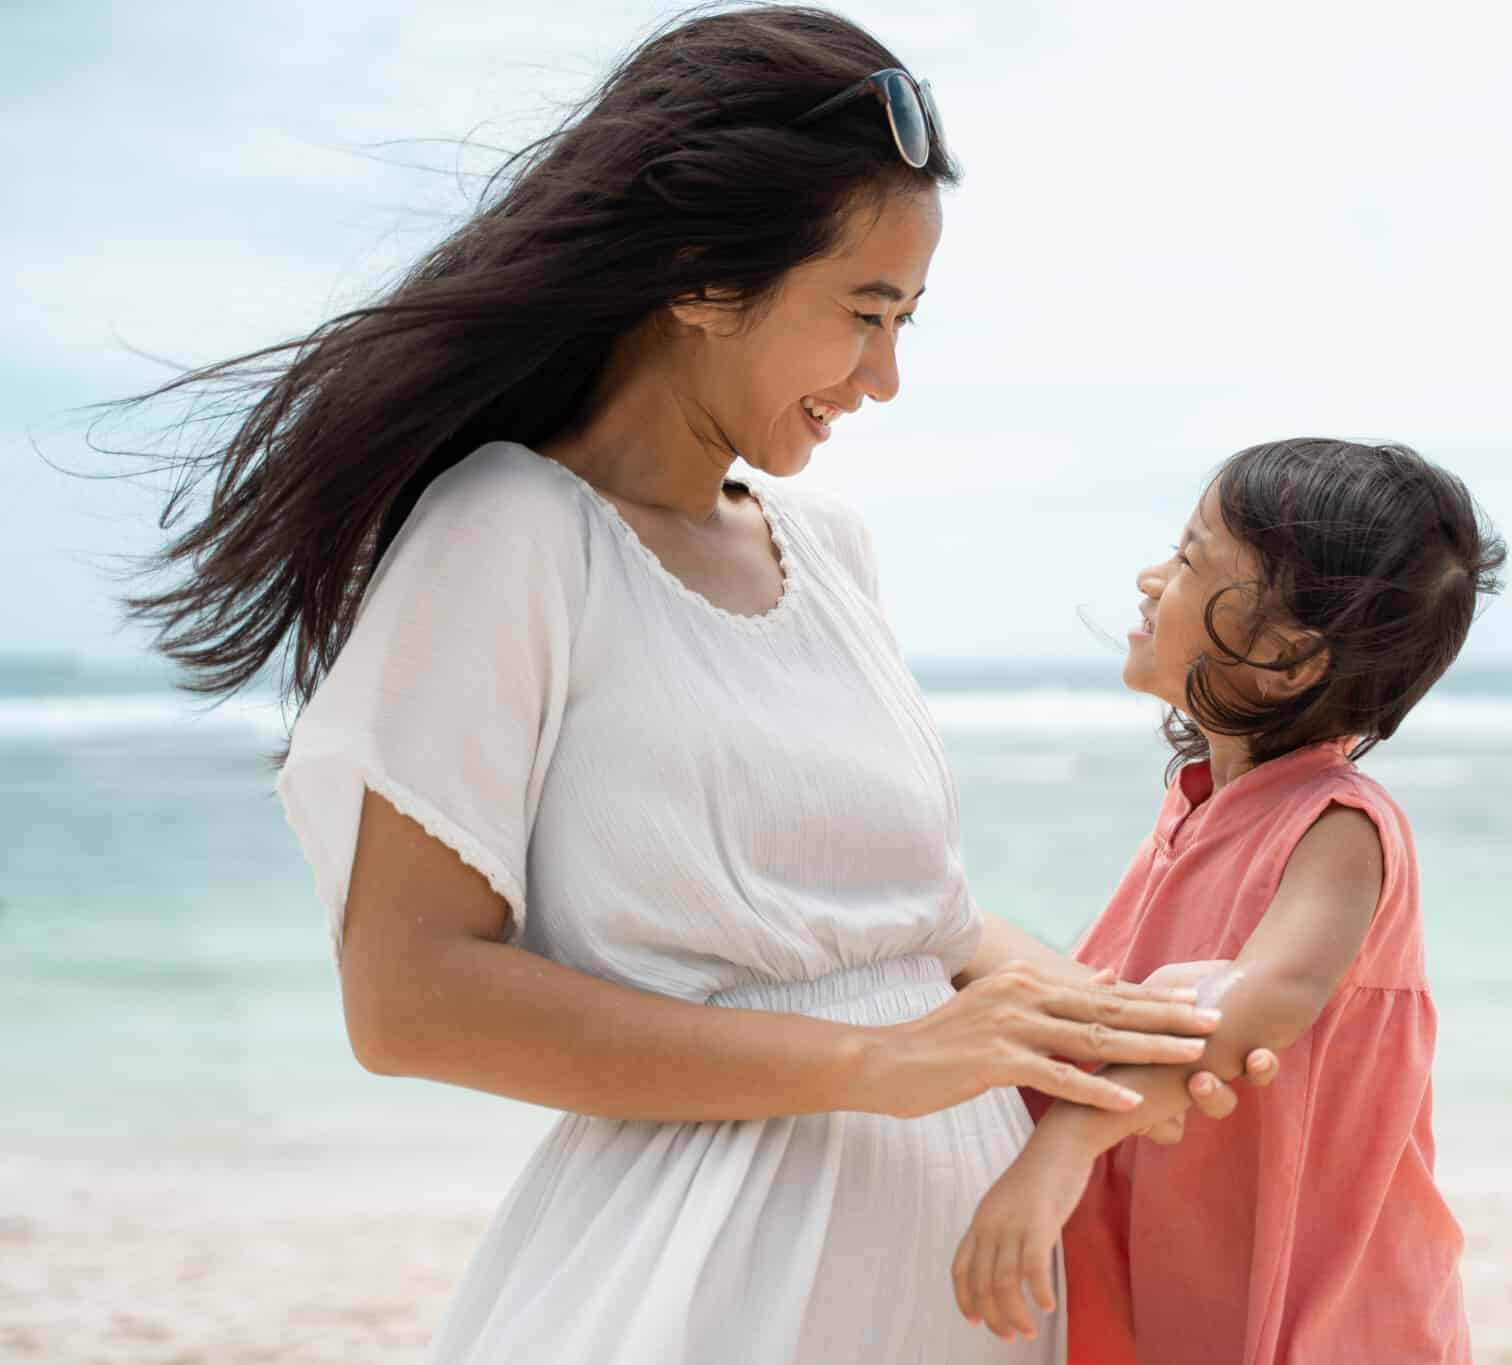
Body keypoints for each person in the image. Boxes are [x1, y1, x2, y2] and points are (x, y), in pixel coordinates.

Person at [126, 7, 1276, 1361]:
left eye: (904, 320)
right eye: (863, 313)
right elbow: (407, 997)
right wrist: (873, 1067)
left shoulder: (832, 551)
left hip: (951, 1285)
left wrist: (1116, 1029)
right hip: (711, 1279)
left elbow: (925, 930)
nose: (886, 377)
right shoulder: (512, 532)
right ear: (699, 277)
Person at [951, 438, 1504, 1363]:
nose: (1149, 576)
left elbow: (1257, 1003)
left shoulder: (1340, 826)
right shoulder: (1200, 805)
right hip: (1178, 1276)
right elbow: (1109, 997)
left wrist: (1057, 1153)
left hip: (1319, 1310)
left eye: (1188, 557)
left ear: (1287, 655)